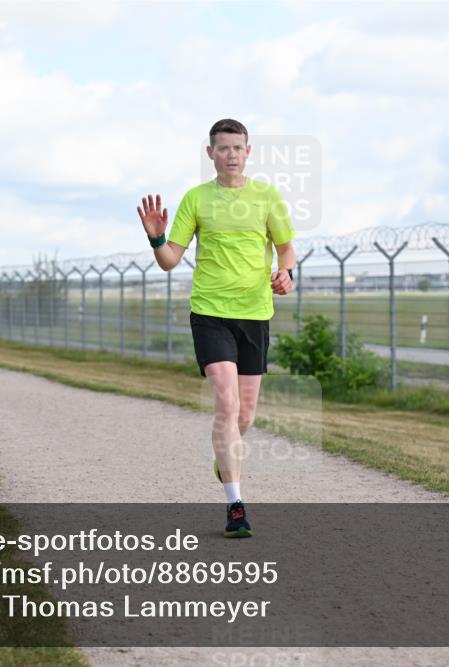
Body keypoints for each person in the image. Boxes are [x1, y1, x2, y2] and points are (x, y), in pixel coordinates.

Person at [137, 119, 296, 538]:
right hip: (210, 313)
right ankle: (235, 505)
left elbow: (286, 248)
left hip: (255, 315)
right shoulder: (196, 199)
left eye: (237, 147)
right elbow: (171, 260)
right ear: (210, 153)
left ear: (248, 152)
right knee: (225, 406)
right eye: (222, 148)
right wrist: (156, 240)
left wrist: (285, 272)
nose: (230, 154)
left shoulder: (266, 197)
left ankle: (224, 457)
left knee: (245, 415)